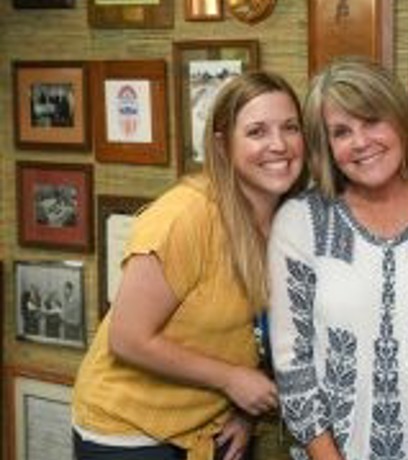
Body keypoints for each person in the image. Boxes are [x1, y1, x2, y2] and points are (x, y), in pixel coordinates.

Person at [71, 71, 307, 460]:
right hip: (129, 435)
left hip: (207, 429)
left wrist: (243, 410)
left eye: (290, 128)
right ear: (222, 144)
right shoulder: (185, 216)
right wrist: (232, 380)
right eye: (257, 132)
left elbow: (262, 332)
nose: (278, 144)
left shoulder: (292, 219)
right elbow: (127, 338)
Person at [268, 58, 408, 460]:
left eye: (371, 121)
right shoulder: (301, 222)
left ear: (399, 119)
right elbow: (293, 363)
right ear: (327, 146)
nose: (360, 142)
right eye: (342, 132)